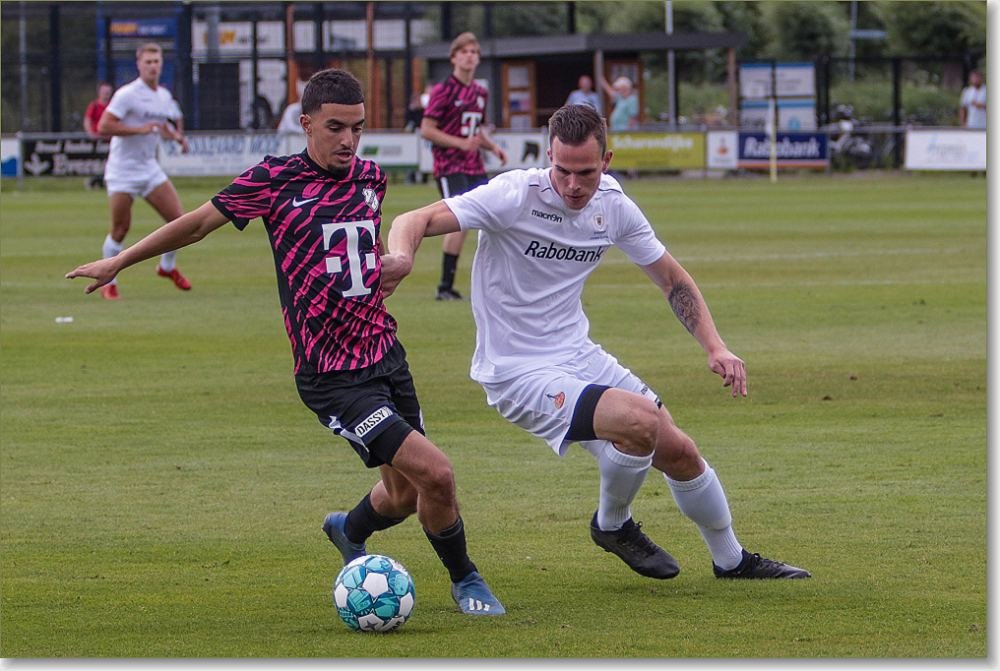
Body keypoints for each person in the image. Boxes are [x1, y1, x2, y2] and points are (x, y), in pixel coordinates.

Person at [66, 68, 506, 617]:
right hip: (332, 376)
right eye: (335, 127)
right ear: (306, 125)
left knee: (405, 493)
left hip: (386, 354)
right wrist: (120, 260)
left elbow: (373, 243)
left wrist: (394, 259)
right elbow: (198, 223)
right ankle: (466, 579)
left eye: (358, 128)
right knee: (437, 473)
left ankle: (348, 528)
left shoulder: (371, 177)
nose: (349, 140)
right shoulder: (274, 180)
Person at [383, 104, 810, 581]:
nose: (571, 185)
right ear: (549, 155)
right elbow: (413, 218)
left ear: (606, 159)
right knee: (637, 421)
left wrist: (716, 347)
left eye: (584, 172)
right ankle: (612, 524)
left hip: (578, 355)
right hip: (516, 370)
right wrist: (400, 257)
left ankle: (731, 561)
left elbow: (672, 280)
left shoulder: (614, 206)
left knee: (680, 452)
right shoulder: (513, 195)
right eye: (561, 170)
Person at [95, 42, 191, 301]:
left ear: (162, 64)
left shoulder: (163, 96)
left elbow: (159, 126)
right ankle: (109, 282)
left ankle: (166, 268)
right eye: (147, 61)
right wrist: (139, 129)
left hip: (149, 168)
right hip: (122, 170)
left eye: (156, 61)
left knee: (180, 222)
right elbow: (103, 126)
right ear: (138, 65)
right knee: (120, 229)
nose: (152, 66)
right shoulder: (127, 94)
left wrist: (177, 138)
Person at [420, 31, 508, 301]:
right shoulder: (443, 91)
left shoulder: (480, 93)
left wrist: (492, 146)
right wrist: (459, 143)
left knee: (493, 219)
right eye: (465, 52)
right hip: (450, 166)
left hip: (473, 165)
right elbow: (427, 129)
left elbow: (476, 129)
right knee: (458, 222)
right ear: (454, 57)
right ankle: (445, 286)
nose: (470, 56)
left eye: (474, 52)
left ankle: (497, 281)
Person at [83, 81, 113, 190]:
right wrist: (91, 133)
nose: (106, 94)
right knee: (99, 162)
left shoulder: (113, 106)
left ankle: (103, 182)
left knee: (109, 162)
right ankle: (94, 181)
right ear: (99, 92)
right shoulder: (94, 106)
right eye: (104, 92)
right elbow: (87, 120)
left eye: (108, 92)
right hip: (98, 140)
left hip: (110, 140)